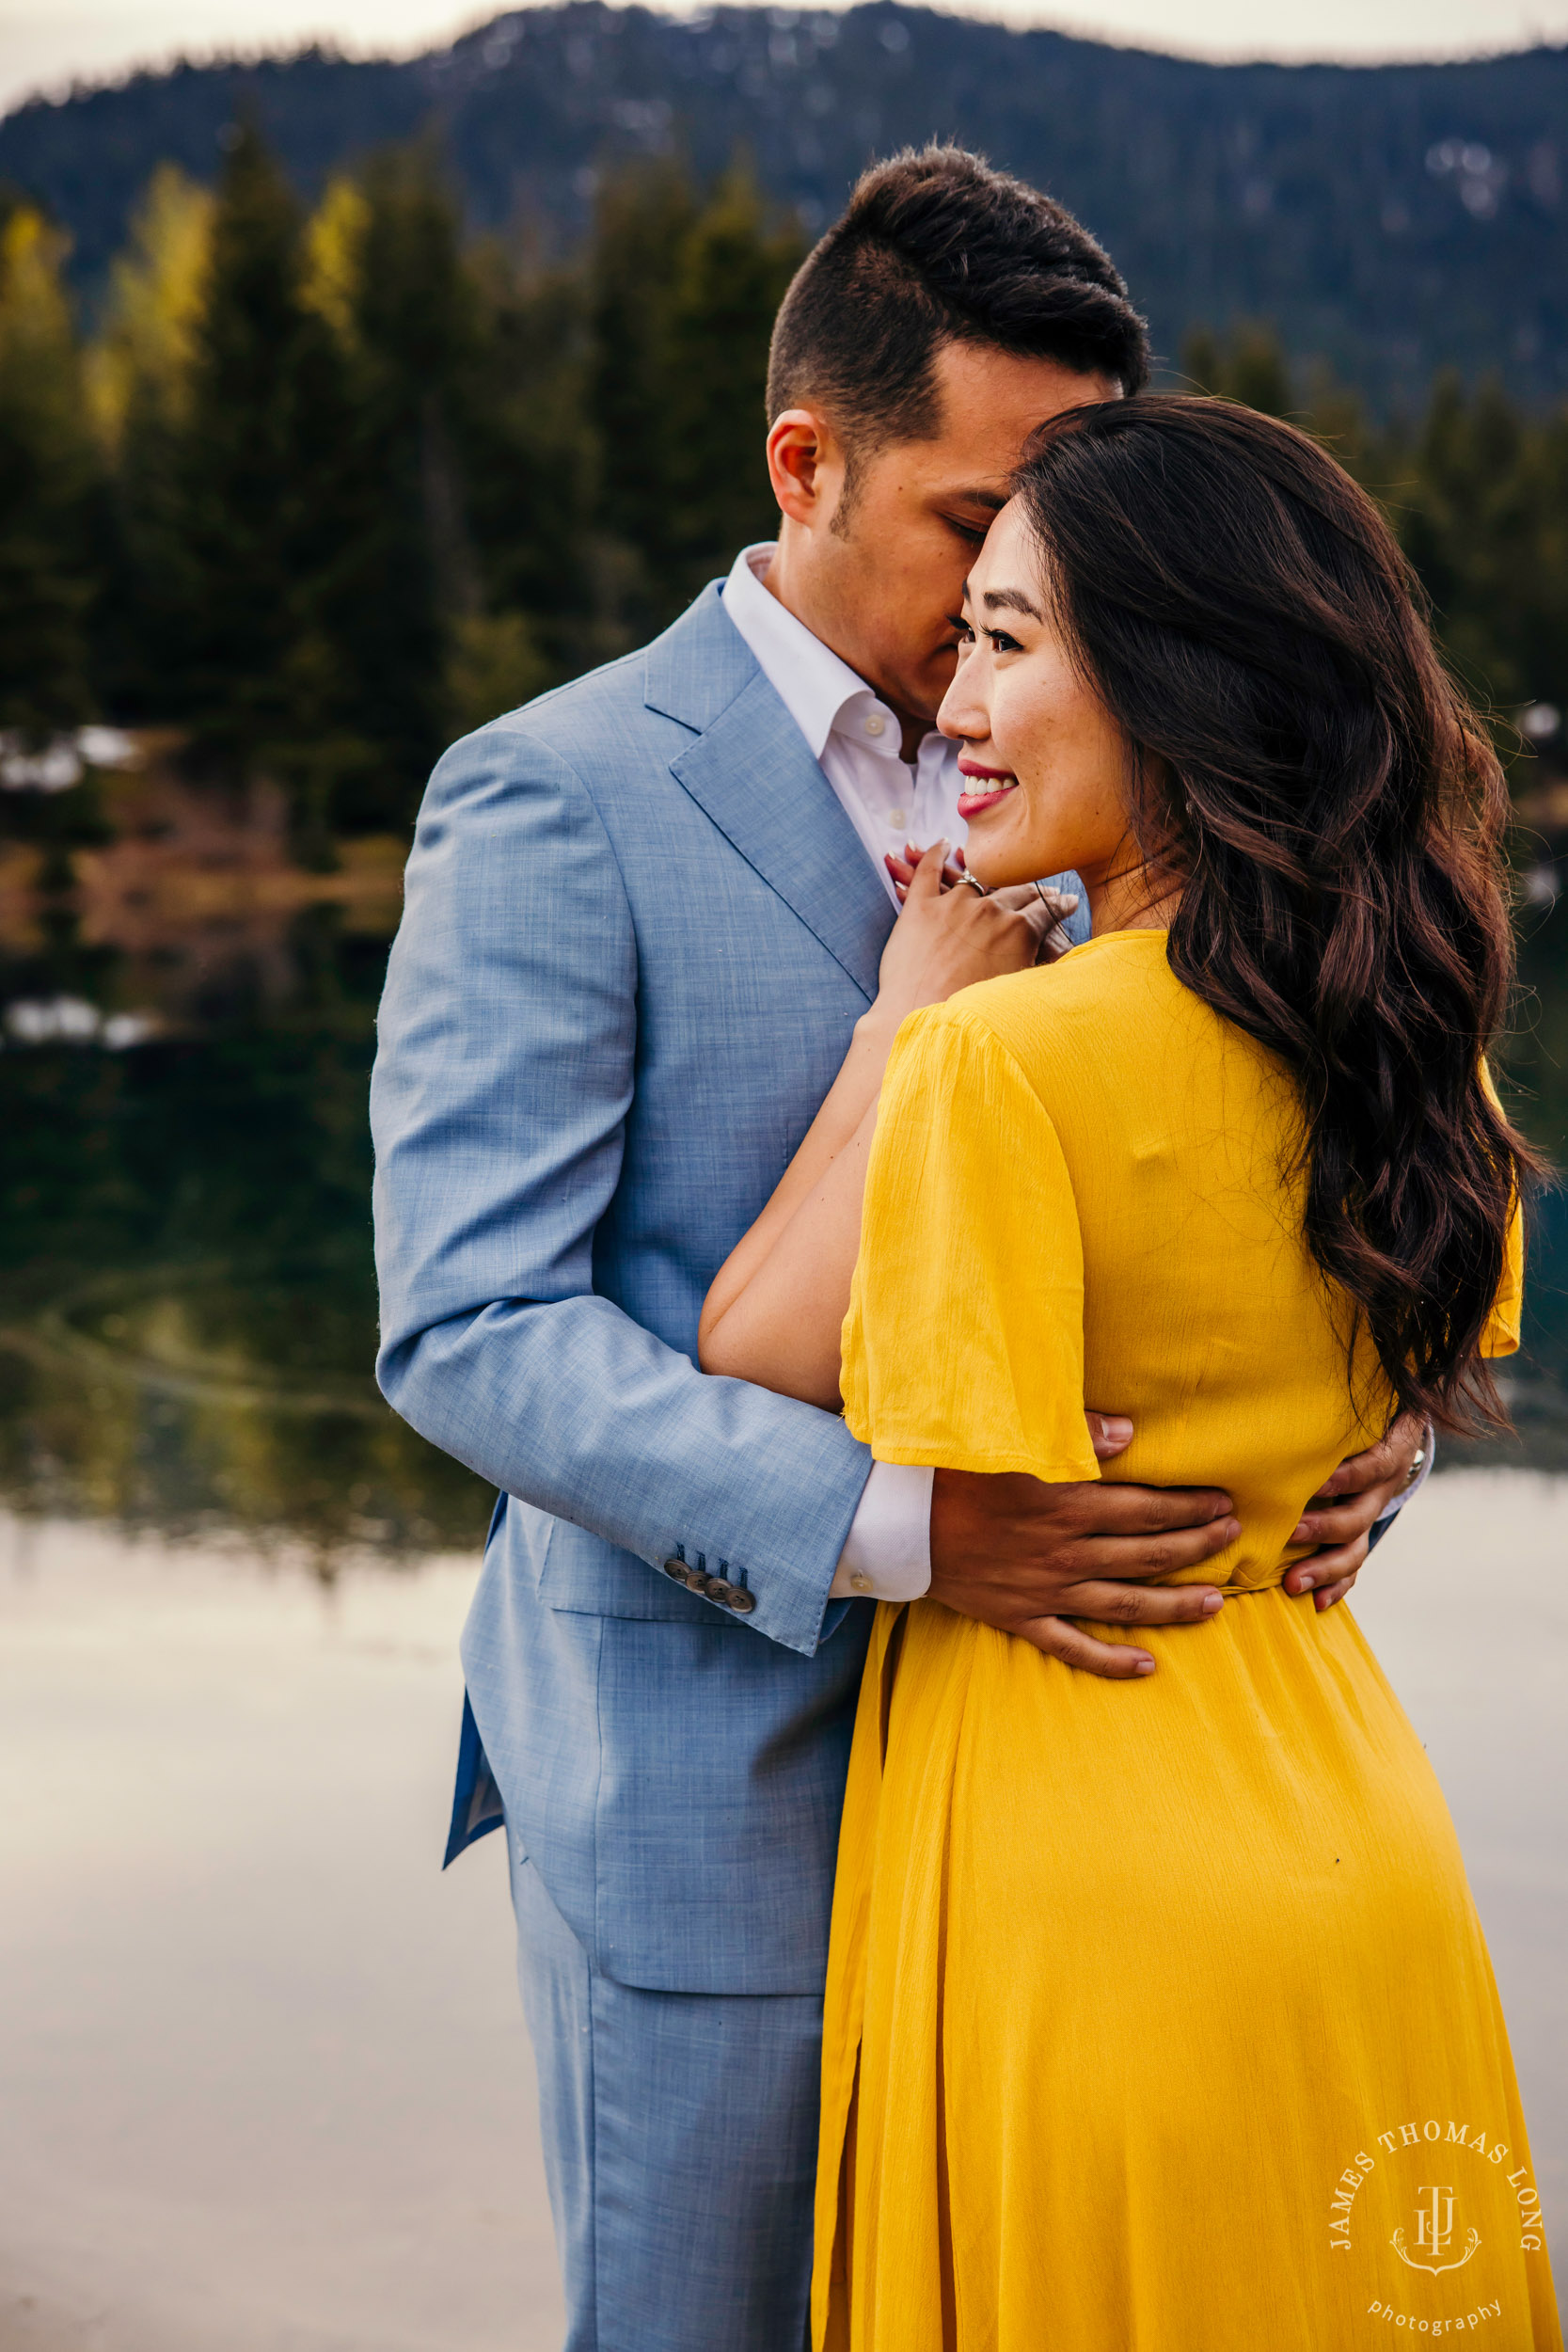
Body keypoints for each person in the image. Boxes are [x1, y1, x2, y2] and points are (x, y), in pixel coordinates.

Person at [370, 151, 1425, 2351]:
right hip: (715, 1779)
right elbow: (472, 1324)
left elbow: (1262, 1149)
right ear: (807, 459)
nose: (1012, 597)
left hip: (1072, 1788)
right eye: (977, 525)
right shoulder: (557, 790)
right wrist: (904, 1530)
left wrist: (1361, 1422)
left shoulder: (1112, 756)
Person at [699, 395, 1559, 2347]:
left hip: (1082, 1838)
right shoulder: (1419, 1035)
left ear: (1173, 682)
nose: (960, 703)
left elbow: (749, 1347)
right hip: (1351, 1814)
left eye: (1010, 641)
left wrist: (902, 1028)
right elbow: (1386, 1395)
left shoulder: (1004, 1057)